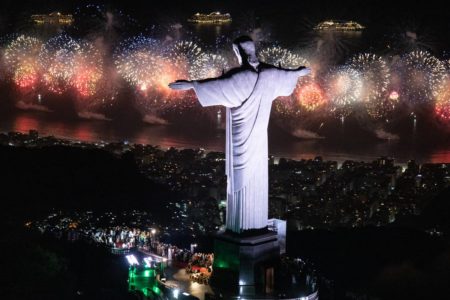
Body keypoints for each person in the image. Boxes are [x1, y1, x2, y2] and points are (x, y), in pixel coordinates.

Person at [169, 36, 310, 233]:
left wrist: (193, 85)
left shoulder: (240, 77)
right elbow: (287, 75)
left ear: (238, 53)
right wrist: (299, 72)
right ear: (253, 50)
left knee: (240, 178)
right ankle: (252, 227)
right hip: (260, 141)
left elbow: (216, 85)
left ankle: (242, 228)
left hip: (241, 137)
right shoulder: (270, 73)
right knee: (254, 177)